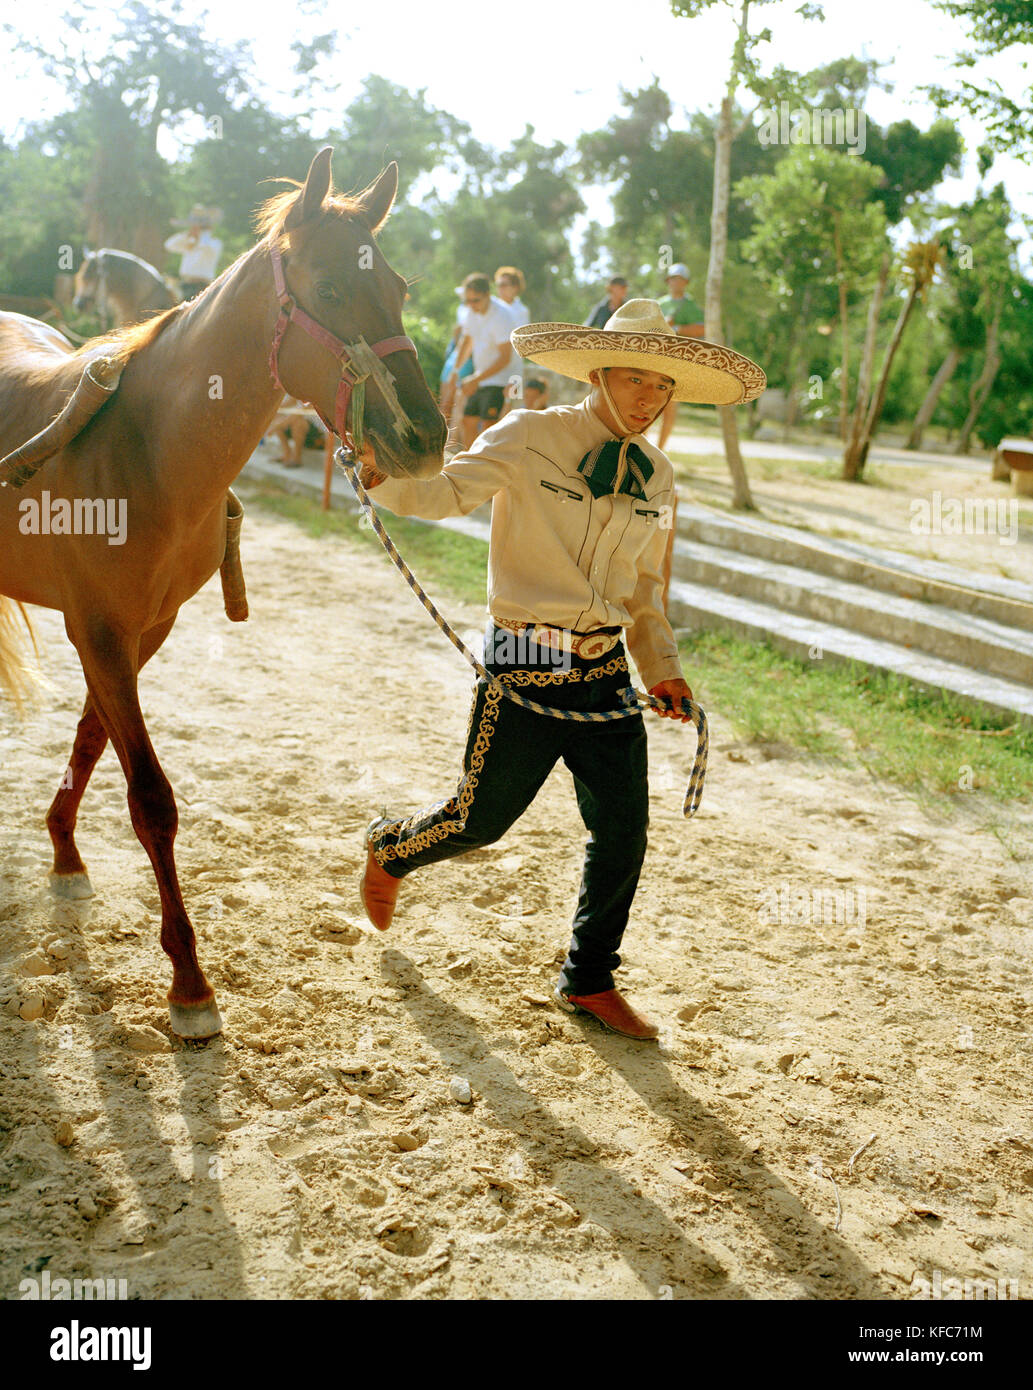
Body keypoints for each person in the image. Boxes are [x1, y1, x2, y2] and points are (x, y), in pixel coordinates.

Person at [354, 299, 764, 1040]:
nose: (648, 397)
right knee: (481, 822)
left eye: (661, 386)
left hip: (604, 668)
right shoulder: (530, 435)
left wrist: (662, 668)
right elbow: (447, 492)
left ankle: (588, 979)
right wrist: (382, 479)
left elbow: (643, 590)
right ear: (598, 374)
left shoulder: (658, 477)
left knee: (623, 833)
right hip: (523, 656)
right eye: (634, 379)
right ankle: (391, 850)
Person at [450, 273, 519, 448]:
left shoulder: (502, 316)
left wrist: (475, 379)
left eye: (476, 300)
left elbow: (505, 358)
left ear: (488, 294)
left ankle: (486, 467)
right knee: (468, 421)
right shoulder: (472, 312)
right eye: (468, 301)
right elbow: (467, 341)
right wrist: (456, 370)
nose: (471, 305)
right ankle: (470, 464)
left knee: (490, 427)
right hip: (481, 377)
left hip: (502, 379)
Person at [656, 263, 705, 452]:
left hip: (676, 362)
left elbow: (701, 328)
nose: (676, 282)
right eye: (673, 279)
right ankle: (643, 447)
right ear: (668, 281)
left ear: (686, 282)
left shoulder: (691, 306)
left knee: (670, 406)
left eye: (680, 279)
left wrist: (675, 329)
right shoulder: (659, 303)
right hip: (656, 360)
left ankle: (660, 450)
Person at [164, 205, 223, 300]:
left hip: (203, 287)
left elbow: (204, 244)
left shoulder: (215, 243)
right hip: (185, 285)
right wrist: (187, 235)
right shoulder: (189, 242)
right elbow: (168, 245)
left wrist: (200, 232)